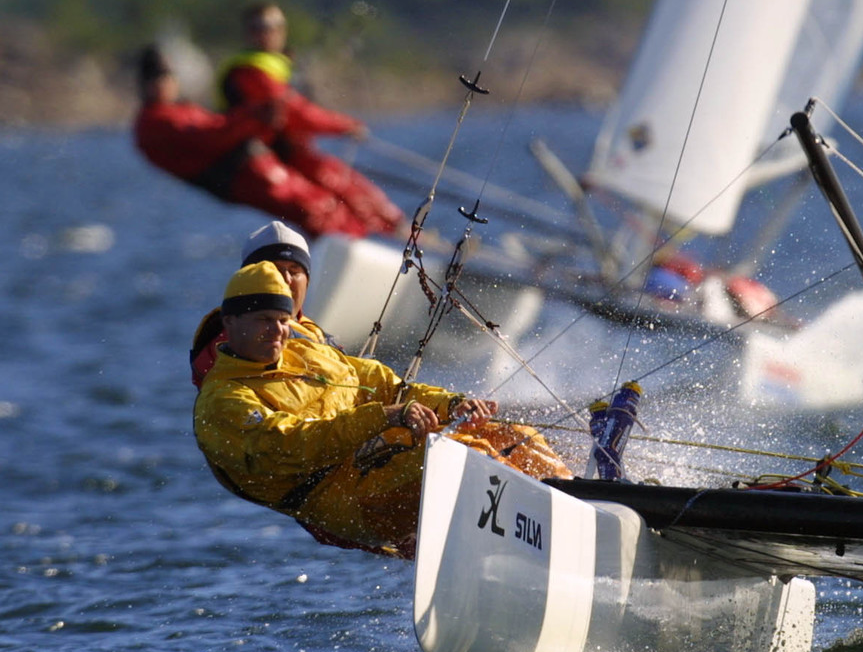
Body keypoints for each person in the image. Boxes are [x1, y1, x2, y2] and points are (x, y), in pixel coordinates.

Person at [194, 262, 571, 558]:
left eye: (282, 320)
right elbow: (290, 445)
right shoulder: (224, 399)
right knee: (463, 461)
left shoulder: (305, 351)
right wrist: (385, 416)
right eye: (262, 320)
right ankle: (545, 540)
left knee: (510, 436)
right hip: (336, 496)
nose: (276, 330)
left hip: (376, 456)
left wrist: (453, 403)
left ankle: (574, 503)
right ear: (229, 323)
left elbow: (388, 385)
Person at [133, 45, 373, 239]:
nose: (163, 83)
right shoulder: (154, 122)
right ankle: (352, 260)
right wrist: (257, 115)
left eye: (166, 76)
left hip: (253, 164)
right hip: (240, 175)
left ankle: (369, 249)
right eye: (154, 78)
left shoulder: (181, 110)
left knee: (332, 199)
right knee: (315, 209)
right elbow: (213, 137)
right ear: (143, 85)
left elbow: (220, 127)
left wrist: (265, 125)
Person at [217, 3, 403, 236]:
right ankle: (387, 246)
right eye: (259, 27)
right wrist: (346, 126)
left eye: (275, 26)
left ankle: (416, 243)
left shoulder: (278, 67)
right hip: (273, 157)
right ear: (247, 33)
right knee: (335, 200)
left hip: (296, 153)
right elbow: (297, 113)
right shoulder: (249, 72)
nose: (268, 33)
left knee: (361, 194)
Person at [189, 221, 334, 387]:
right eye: (275, 270)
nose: (286, 279)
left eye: (294, 271)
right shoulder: (236, 332)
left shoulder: (312, 331)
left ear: (307, 281)